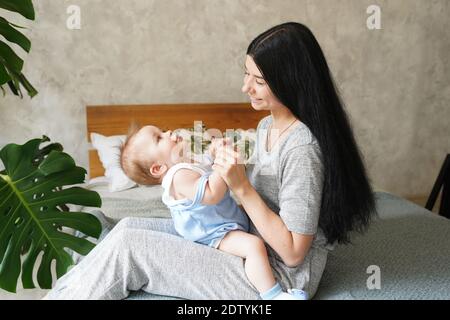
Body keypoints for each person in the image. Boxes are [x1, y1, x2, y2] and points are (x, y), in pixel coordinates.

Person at [44, 22, 375, 300]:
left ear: (291, 83)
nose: (245, 87)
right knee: (129, 226)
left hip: (277, 274)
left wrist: (240, 185)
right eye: (246, 74)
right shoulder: (266, 125)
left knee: (132, 247)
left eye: (258, 81)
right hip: (246, 239)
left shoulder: (302, 148)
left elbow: (292, 253)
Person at [116, 124, 307, 300]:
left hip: (224, 223)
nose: (168, 133)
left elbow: (204, 168)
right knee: (254, 246)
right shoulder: (177, 177)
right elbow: (212, 194)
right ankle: (273, 295)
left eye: (163, 130)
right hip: (214, 234)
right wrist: (222, 166)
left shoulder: (185, 165)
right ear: (158, 168)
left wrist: (214, 153)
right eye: (159, 138)